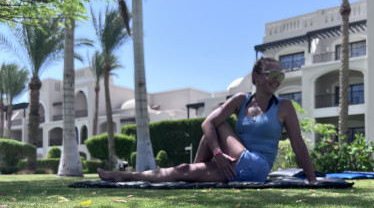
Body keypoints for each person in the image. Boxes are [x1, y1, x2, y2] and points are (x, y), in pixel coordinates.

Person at [98, 57, 318, 184]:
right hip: (237, 167)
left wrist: (312, 181)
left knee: (217, 123)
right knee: (184, 169)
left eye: (280, 76)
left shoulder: (284, 106)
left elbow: (298, 144)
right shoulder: (240, 100)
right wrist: (219, 155)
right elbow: (206, 124)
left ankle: (196, 167)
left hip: (258, 167)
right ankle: (125, 176)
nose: (276, 80)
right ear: (256, 77)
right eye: (271, 74)